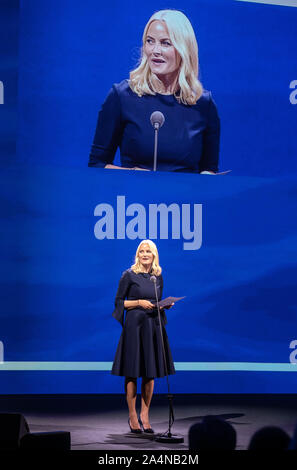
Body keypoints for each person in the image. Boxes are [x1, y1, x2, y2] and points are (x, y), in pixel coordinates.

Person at [89, 9, 220, 173]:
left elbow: (209, 170)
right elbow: (97, 165)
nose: (155, 50)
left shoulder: (203, 104)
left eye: (166, 43)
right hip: (135, 196)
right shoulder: (122, 96)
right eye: (150, 41)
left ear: (184, 49)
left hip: (184, 198)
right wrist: (133, 174)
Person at [111, 240, 175, 433]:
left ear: (154, 254)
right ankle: (132, 416)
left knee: (150, 372)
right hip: (134, 327)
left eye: (148, 251)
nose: (145, 254)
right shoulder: (129, 275)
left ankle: (145, 415)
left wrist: (164, 305)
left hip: (152, 326)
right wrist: (138, 302)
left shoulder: (158, 276)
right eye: (142, 251)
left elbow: (156, 299)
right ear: (137, 255)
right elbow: (119, 302)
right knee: (132, 372)